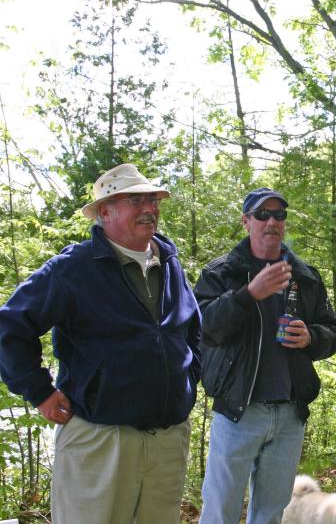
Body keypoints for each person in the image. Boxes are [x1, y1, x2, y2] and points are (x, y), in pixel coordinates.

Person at [0, 164, 201, 524]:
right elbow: (10, 327)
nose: (148, 208)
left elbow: (192, 332)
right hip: (100, 439)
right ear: (104, 212)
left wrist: (188, 382)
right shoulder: (74, 268)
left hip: (167, 440)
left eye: (152, 200)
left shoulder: (170, 264)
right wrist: (40, 392)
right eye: (134, 199)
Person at [195, 187, 336, 524]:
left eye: (279, 215)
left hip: (290, 414)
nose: (271, 222)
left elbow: (332, 332)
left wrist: (311, 336)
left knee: (271, 515)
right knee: (221, 513)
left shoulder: (305, 276)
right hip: (238, 412)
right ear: (246, 221)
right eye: (262, 215)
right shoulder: (221, 273)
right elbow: (204, 329)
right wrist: (248, 295)